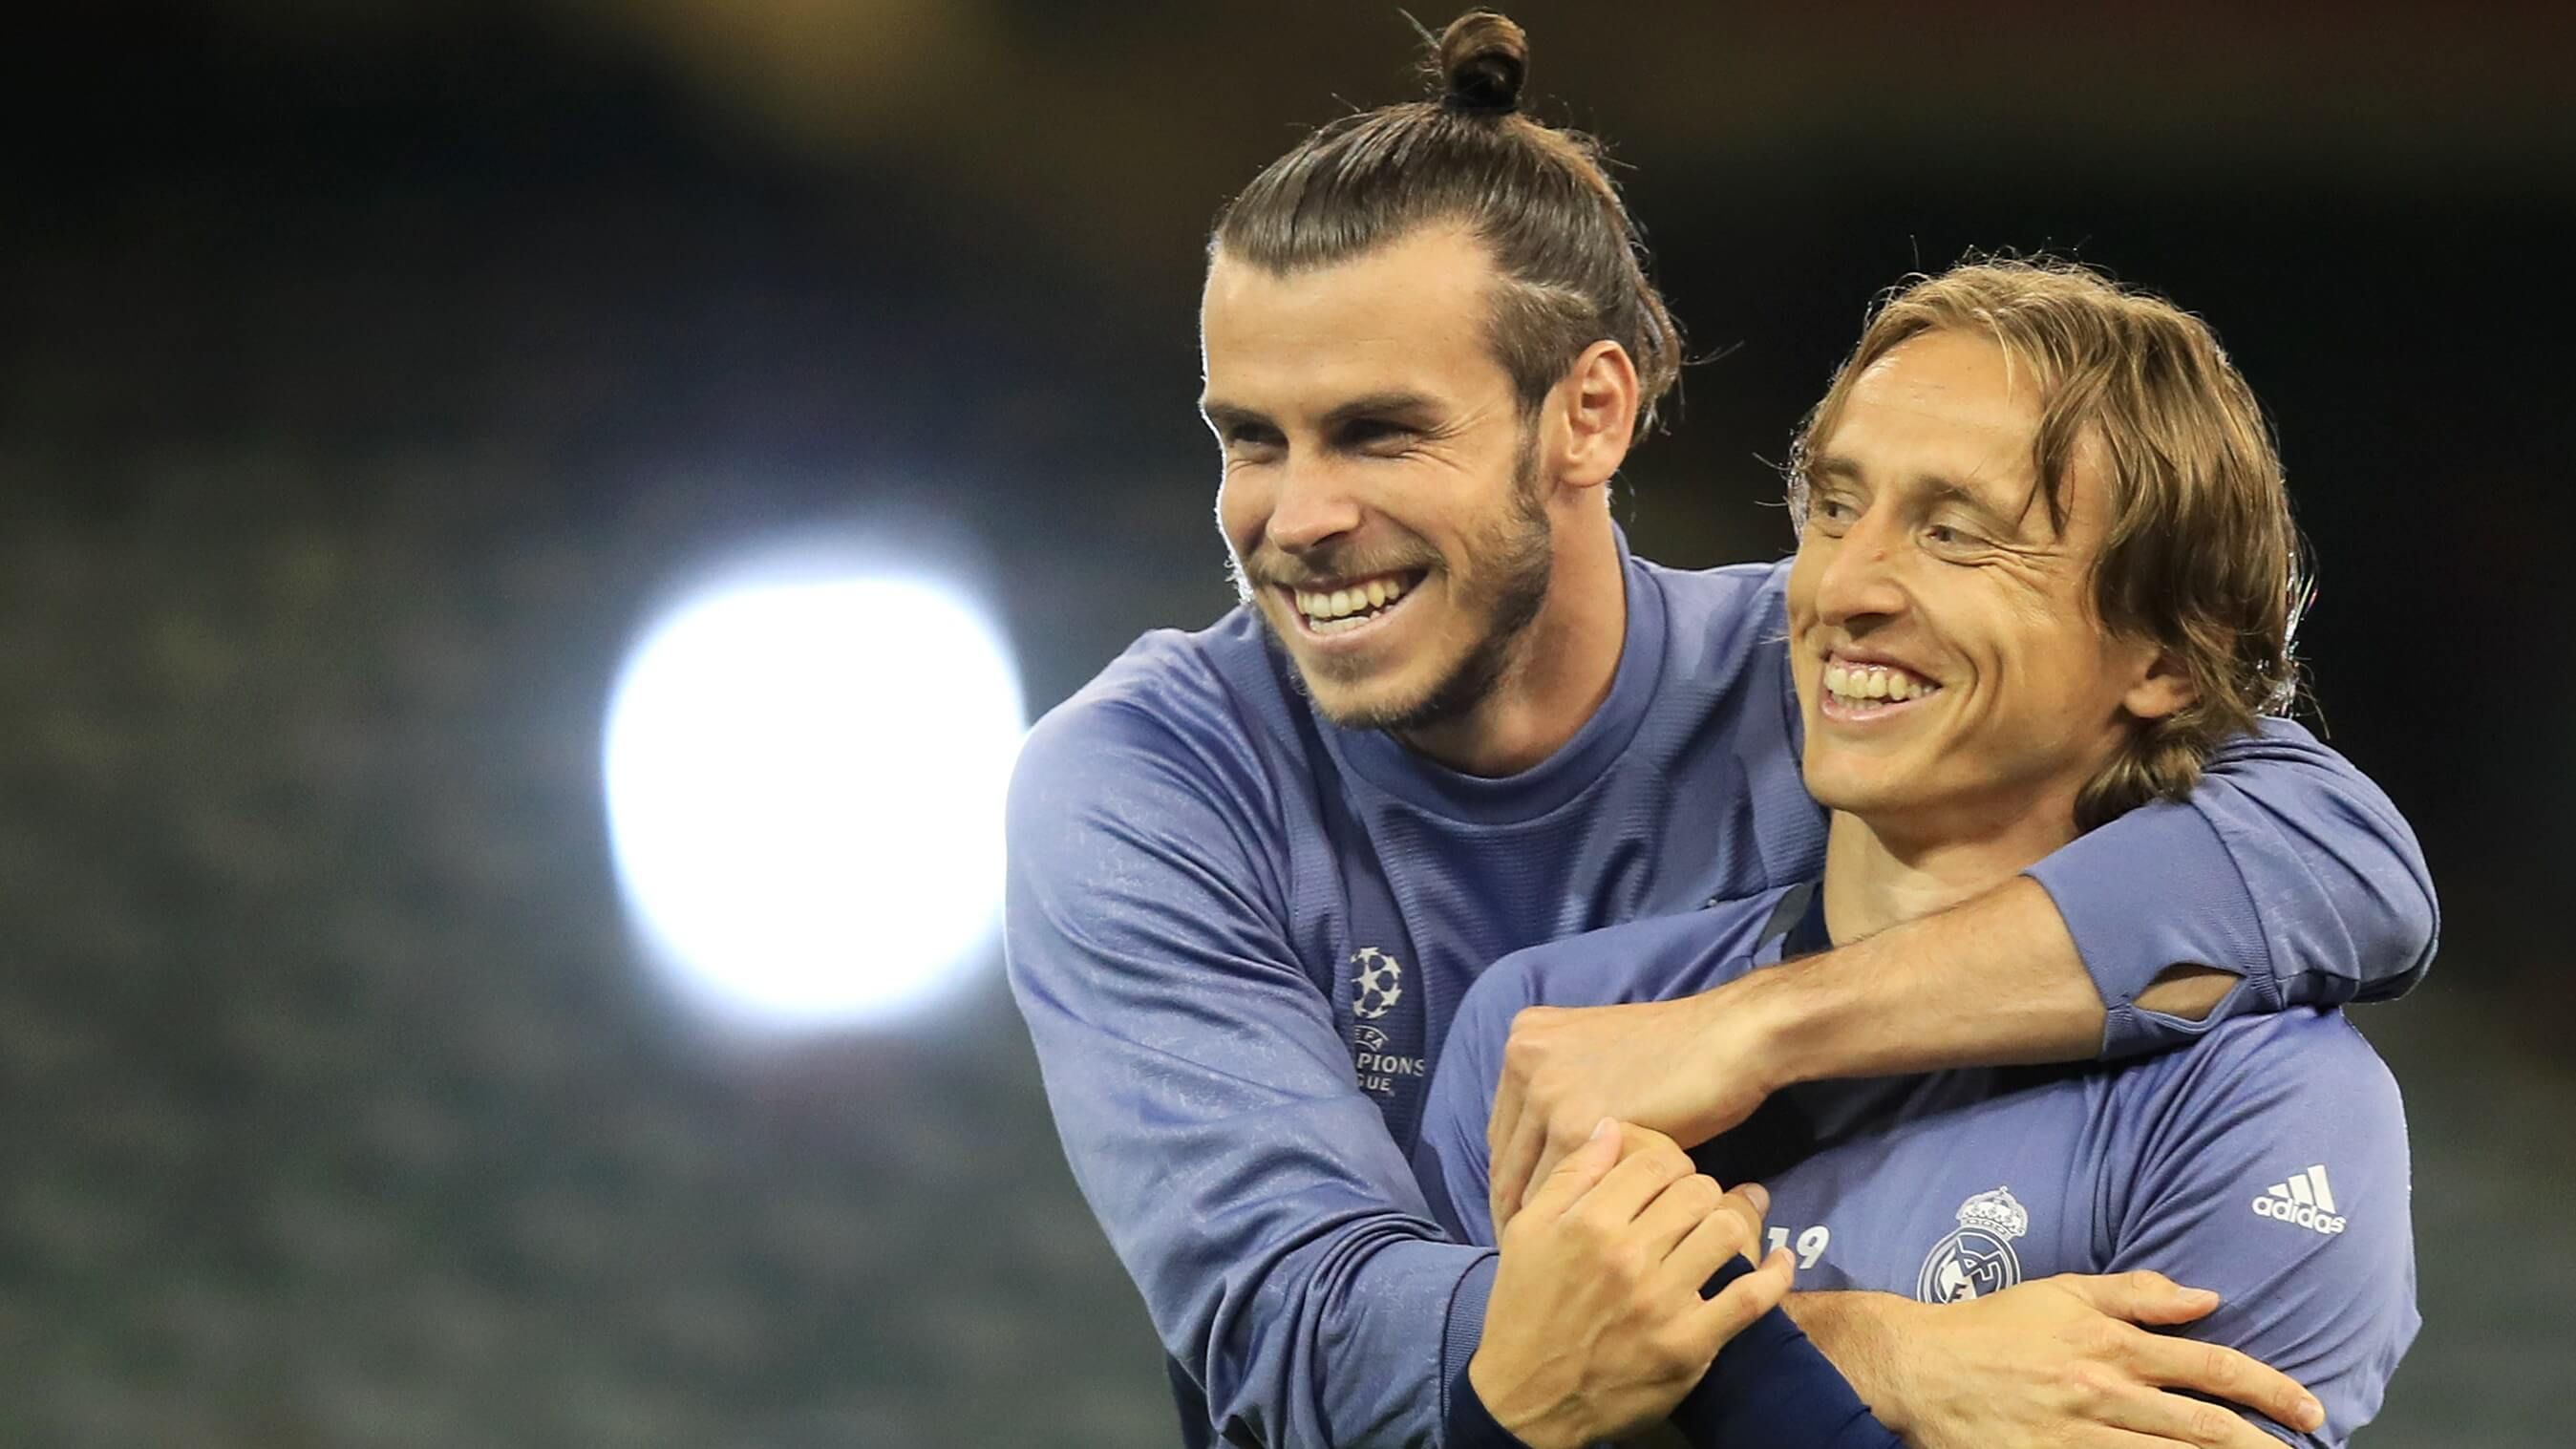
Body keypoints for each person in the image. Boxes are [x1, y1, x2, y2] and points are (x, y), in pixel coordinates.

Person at [1004, 11, 2435, 1447]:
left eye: (1380, 434)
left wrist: (1747, 1033)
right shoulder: (1151, 781)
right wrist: (1861, 1348)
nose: (1293, 517)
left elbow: (2340, 860)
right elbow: (1298, 1340)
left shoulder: (1837, 675)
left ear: (1589, 413)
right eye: (1250, 438)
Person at [1417, 259, 2417, 1449]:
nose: (1844, 583)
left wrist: (1708, 1343)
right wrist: (1885, 1357)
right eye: (1835, 508)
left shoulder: (2261, 1104)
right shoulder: (1553, 1024)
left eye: (1956, 534)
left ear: (2163, 661)